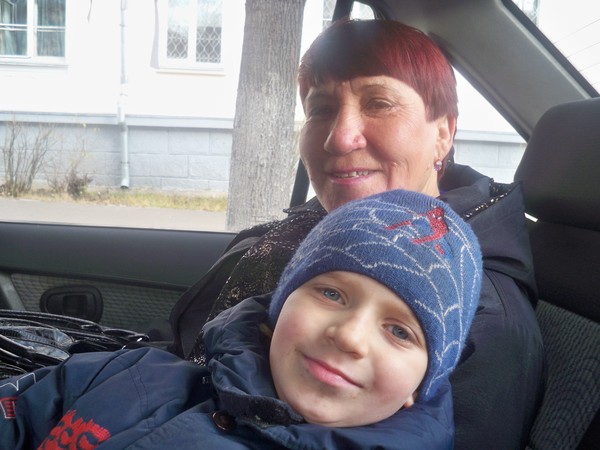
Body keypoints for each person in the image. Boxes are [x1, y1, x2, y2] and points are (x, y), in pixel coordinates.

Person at [169, 19, 545, 450]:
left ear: (443, 134)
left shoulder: (479, 318)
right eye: (321, 109)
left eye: (379, 103)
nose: (340, 137)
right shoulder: (319, 228)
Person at [0, 189, 481, 449]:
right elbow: (22, 411)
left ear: (423, 383)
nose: (350, 335)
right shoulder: (137, 374)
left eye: (399, 331)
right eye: (331, 293)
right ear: (279, 306)